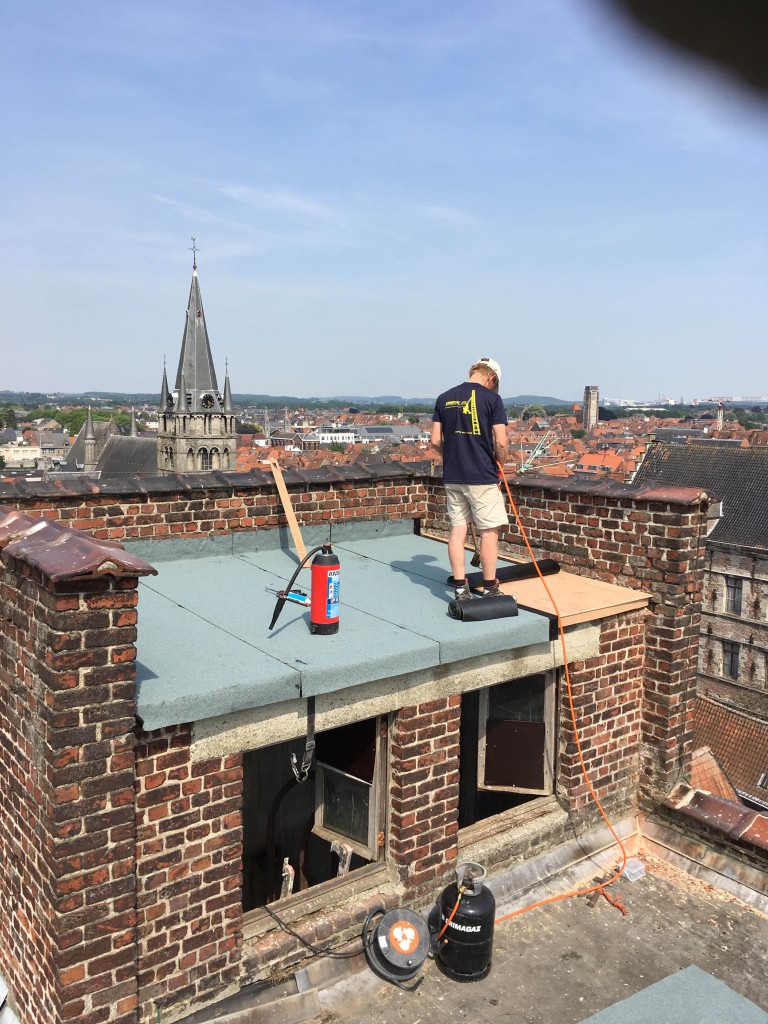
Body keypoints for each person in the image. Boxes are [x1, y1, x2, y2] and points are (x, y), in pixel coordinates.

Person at [431, 357, 508, 601]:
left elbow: (435, 441)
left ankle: (461, 588)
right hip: (482, 476)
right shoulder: (493, 400)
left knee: (457, 530)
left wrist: (451, 457)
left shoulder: (444, 398)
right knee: (488, 532)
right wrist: (499, 463)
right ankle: (489, 586)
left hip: (453, 476)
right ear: (492, 378)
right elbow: (502, 441)